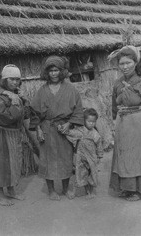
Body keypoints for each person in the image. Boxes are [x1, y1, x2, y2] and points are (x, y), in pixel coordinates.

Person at [108, 46, 141, 202]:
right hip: (123, 123)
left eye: (128, 63)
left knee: (140, 157)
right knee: (124, 155)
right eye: (121, 64)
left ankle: (140, 190)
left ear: (136, 63)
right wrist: (115, 121)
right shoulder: (118, 83)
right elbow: (113, 106)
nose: (124, 67)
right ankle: (127, 188)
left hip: (140, 123)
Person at [30, 56, 84, 201]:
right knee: (48, 160)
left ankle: (66, 188)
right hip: (47, 129)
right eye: (51, 71)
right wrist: (38, 129)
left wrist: (69, 124)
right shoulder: (42, 91)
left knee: (65, 159)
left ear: (62, 71)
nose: (54, 73)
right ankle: (51, 190)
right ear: (47, 73)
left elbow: (78, 110)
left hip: (64, 130)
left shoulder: (71, 90)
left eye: (56, 70)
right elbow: (34, 113)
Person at [0, 65, 27, 206]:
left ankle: (11, 191)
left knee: (13, 165)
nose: (15, 82)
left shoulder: (15, 94)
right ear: (4, 80)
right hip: (2, 134)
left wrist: (23, 100)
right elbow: (7, 117)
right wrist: (16, 104)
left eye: (17, 79)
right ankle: (0, 195)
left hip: (15, 135)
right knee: (1, 166)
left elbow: (26, 114)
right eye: (11, 79)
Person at [62, 108, 104, 200]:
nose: (91, 123)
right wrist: (63, 130)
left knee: (92, 174)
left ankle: (91, 192)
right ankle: (77, 191)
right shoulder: (80, 131)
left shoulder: (96, 134)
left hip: (92, 158)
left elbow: (99, 146)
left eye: (93, 121)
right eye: (89, 121)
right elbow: (71, 133)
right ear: (84, 120)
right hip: (81, 156)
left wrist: (99, 156)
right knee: (80, 173)